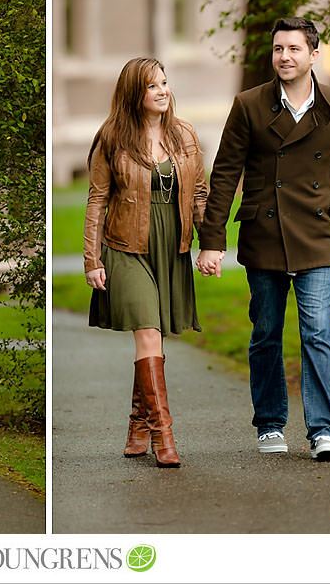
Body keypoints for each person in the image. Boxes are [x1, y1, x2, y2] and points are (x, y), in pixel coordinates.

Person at [196, 16, 330, 461]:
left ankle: (324, 431)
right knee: (267, 332)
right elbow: (225, 174)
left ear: (313, 55)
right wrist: (211, 240)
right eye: (278, 49)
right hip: (264, 234)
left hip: (317, 236)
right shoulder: (250, 104)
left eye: (293, 49)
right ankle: (270, 424)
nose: (284, 57)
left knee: (317, 332)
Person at [84, 57, 208, 468]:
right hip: (126, 247)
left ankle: (138, 424)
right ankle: (163, 436)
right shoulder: (112, 138)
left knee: (156, 338)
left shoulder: (184, 134)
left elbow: (199, 195)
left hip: (172, 248)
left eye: (165, 83)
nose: (162, 91)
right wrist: (92, 259)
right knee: (149, 334)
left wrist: (211, 245)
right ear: (134, 93)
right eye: (152, 86)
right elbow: (97, 200)